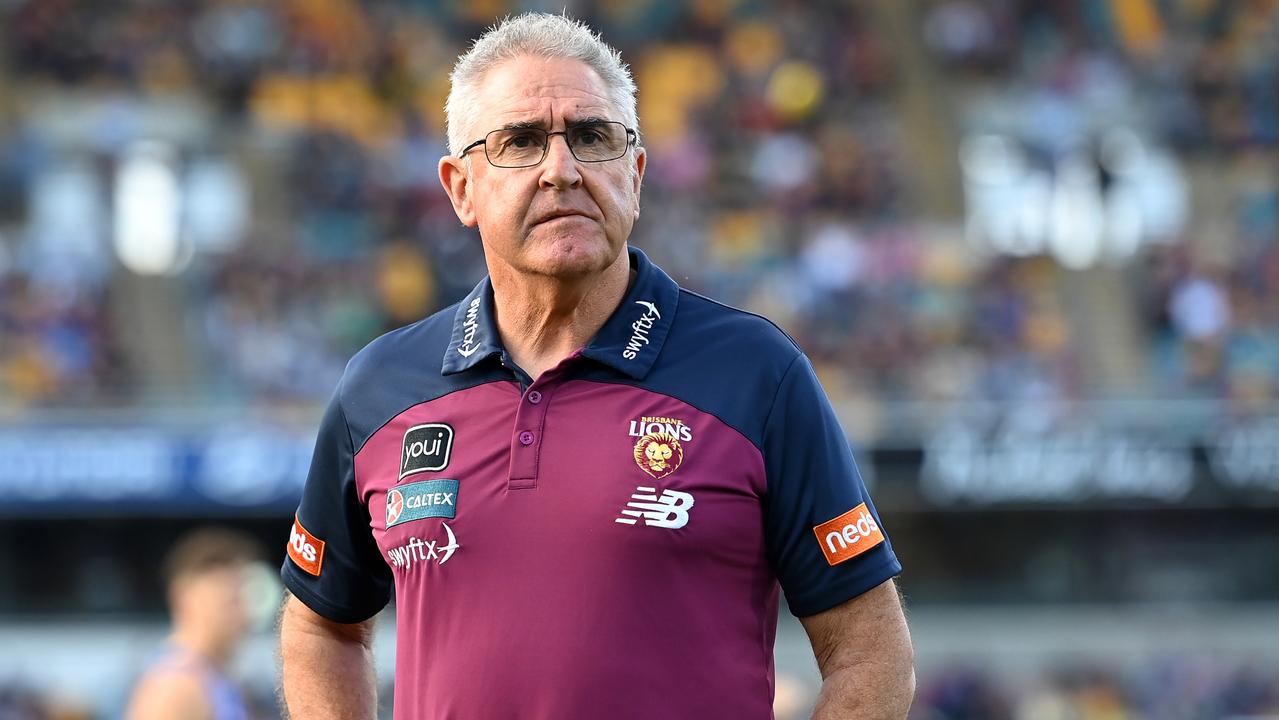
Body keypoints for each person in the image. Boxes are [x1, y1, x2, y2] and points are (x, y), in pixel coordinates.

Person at [279, 12, 914, 719]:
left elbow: (868, 645)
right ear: (460, 188)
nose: (561, 170)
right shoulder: (379, 387)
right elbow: (321, 624)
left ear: (635, 175)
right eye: (520, 141)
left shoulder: (756, 373)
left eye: (591, 136)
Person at [127, 527, 260, 720]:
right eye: (228, 602)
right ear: (182, 598)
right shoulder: (175, 688)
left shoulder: (214, 677)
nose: (242, 615)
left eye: (242, 599)